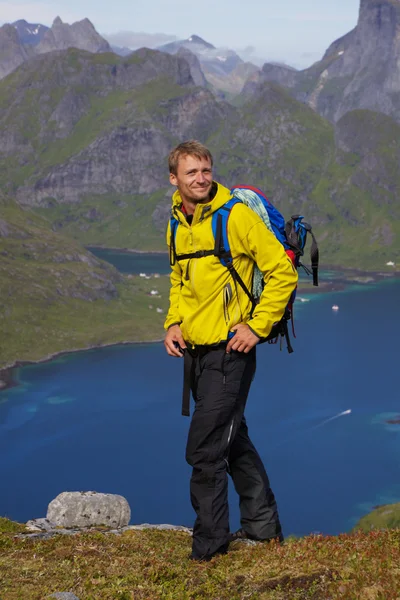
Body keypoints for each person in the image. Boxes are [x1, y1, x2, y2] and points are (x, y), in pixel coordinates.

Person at [163, 140, 298, 561]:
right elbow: (179, 280)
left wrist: (256, 328)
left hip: (231, 353)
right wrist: (172, 321)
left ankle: (210, 548)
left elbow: (282, 272)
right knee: (230, 436)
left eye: (206, 170)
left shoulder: (234, 217)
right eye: (191, 173)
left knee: (203, 451)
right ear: (174, 179)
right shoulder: (176, 224)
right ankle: (263, 530)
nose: (201, 179)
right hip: (197, 353)